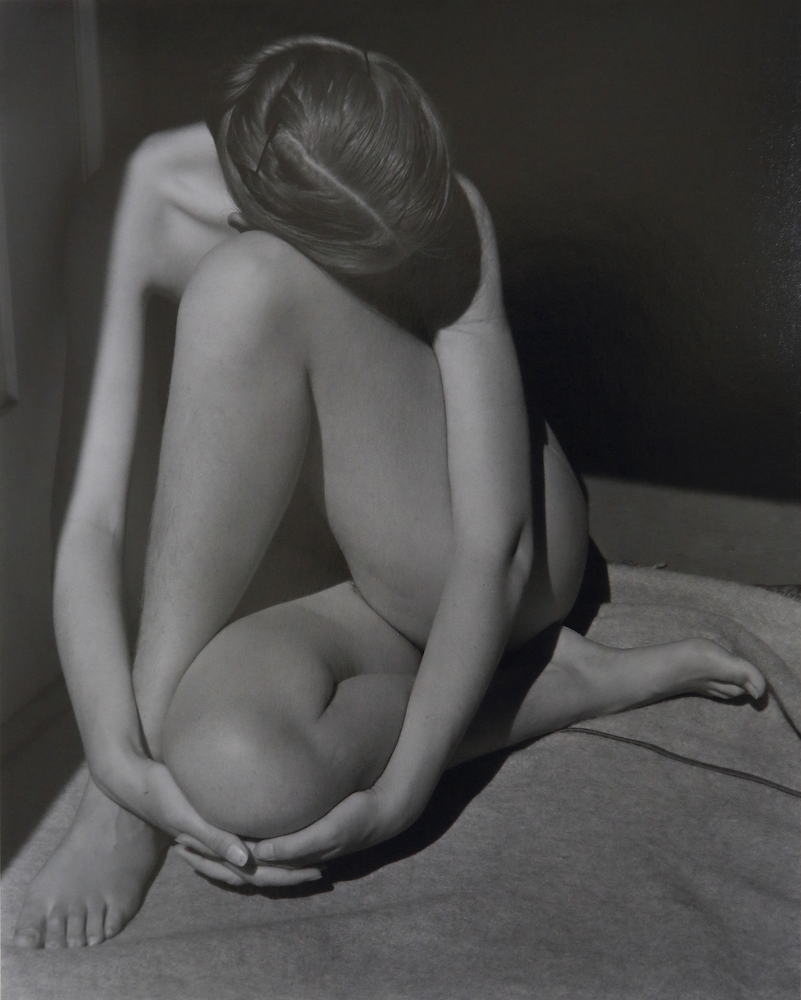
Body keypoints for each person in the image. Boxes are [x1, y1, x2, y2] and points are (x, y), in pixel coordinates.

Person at [14, 36, 765, 950]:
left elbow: (496, 551)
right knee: (237, 768)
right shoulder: (129, 207)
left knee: (242, 292)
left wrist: (401, 793)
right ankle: (537, 690)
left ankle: (506, 682)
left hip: (490, 547)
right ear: (248, 211)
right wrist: (116, 758)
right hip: (351, 585)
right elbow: (89, 525)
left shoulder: (416, 197)